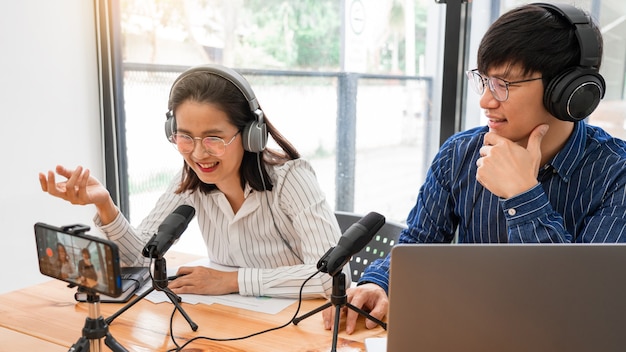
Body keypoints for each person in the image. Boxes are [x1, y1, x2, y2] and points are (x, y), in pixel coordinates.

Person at [323, 3, 626, 334]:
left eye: (503, 85)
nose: (485, 101)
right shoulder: (460, 153)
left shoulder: (616, 173)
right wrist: (381, 284)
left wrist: (523, 195)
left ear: (568, 92)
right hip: (469, 332)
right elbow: (420, 242)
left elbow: (576, 307)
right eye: (484, 81)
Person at [39, 64, 344, 299]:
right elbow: (138, 258)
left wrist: (231, 281)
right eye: (185, 137)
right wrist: (105, 205)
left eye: (213, 138)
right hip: (234, 323)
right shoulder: (191, 181)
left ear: (252, 135)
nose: (198, 153)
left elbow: (333, 276)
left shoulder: (292, 178)